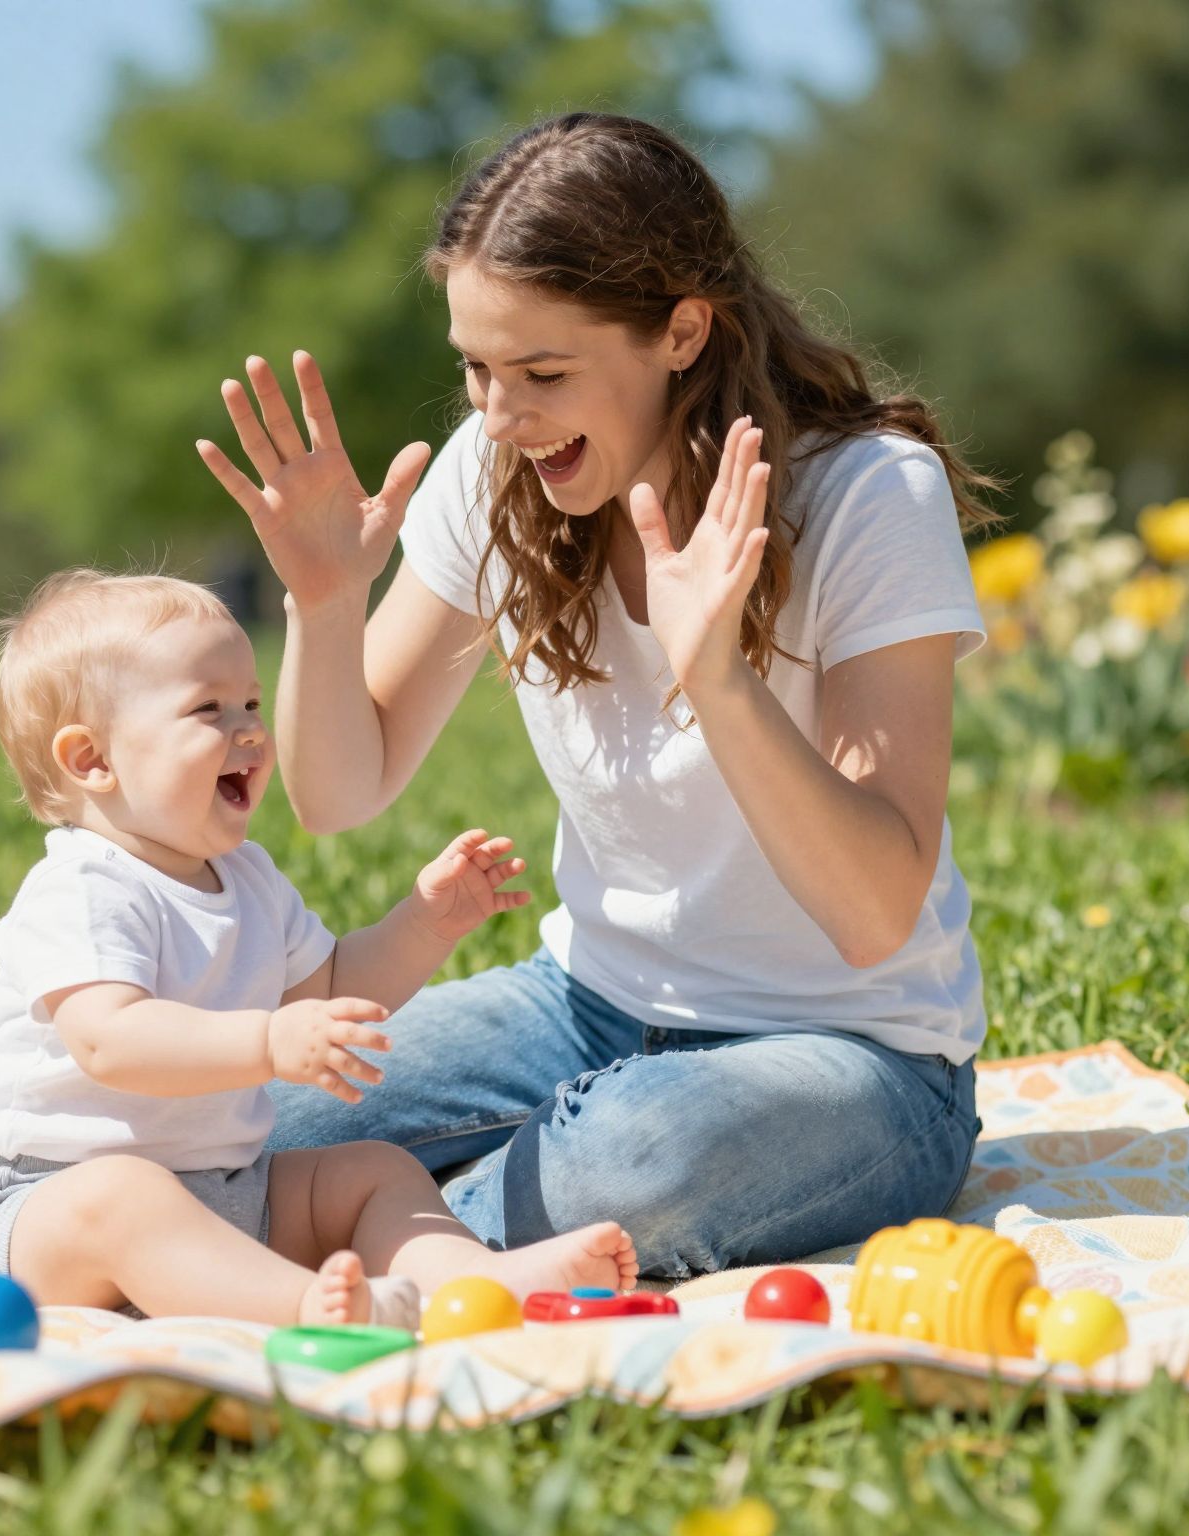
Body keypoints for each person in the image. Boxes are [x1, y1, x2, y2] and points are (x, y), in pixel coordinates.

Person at [197, 112, 999, 1280]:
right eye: (475, 367)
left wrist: (714, 674)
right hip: (582, 1009)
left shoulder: (870, 493)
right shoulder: (494, 470)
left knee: (631, 1160)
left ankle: (367, 1239)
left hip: (853, 1056)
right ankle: (405, 1224)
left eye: (540, 373)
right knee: (259, 1108)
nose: (497, 416)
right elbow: (338, 792)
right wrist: (324, 603)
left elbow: (875, 912)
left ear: (680, 331)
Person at [0, 570, 638, 1325]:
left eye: (250, 700)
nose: (248, 728)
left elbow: (335, 985)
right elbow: (110, 1041)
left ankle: (472, 1280)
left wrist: (425, 923)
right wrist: (268, 1040)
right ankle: (312, 1308)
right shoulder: (84, 887)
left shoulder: (246, 878)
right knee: (127, 1194)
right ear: (92, 761)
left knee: (375, 1171)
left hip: (227, 1186)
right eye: (208, 708)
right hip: (48, 1212)